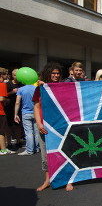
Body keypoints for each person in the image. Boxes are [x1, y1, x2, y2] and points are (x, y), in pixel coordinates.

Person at [33, 62, 73, 191]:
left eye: (57, 73)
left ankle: (68, 180)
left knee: (65, 152)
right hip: (44, 126)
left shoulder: (61, 87)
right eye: (53, 73)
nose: (56, 75)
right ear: (47, 73)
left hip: (60, 126)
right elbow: (36, 106)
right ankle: (47, 180)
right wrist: (39, 123)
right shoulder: (39, 88)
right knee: (46, 155)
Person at [14, 83, 37, 155]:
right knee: (36, 132)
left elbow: (17, 102)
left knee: (28, 132)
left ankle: (29, 150)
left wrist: (15, 114)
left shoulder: (21, 89)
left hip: (26, 113)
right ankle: (37, 148)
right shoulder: (36, 88)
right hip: (36, 112)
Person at [6, 69, 23, 150]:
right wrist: (12, 92)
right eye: (15, 75)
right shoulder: (8, 84)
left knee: (18, 125)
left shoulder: (21, 84)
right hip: (9, 107)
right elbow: (4, 95)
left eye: (18, 75)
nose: (16, 77)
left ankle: (18, 141)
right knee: (9, 125)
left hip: (19, 107)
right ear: (12, 75)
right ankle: (9, 143)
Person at [0, 70, 15, 155]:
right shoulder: (2, 85)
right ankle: (3, 149)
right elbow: (1, 98)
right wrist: (7, 99)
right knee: (1, 131)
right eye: (6, 74)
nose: (7, 76)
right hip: (1, 112)